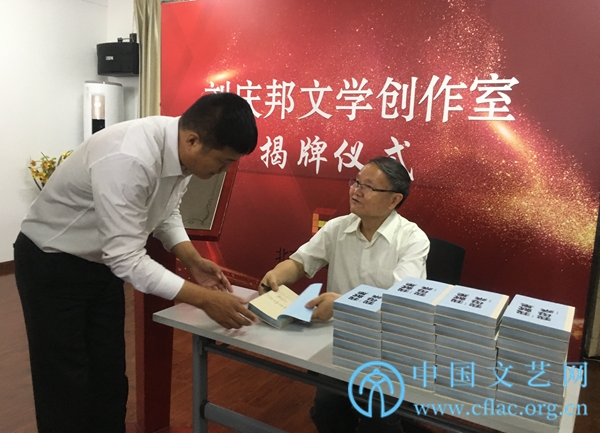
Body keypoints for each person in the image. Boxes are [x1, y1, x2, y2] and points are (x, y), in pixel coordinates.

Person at [14, 92, 259, 433]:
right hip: (52, 262)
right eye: (223, 161)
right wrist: (204, 299)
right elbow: (126, 257)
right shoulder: (129, 156)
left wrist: (193, 260)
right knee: (64, 379)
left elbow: (164, 211)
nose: (224, 171)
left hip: (100, 263)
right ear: (193, 140)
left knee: (109, 373)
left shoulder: (182, 150)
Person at [260, 156, 430, 433]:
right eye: (356, 182)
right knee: (327, 408)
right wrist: (277, 275)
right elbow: (301, 262)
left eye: (368, 187)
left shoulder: (412, 239)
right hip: (341, 340)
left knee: (378, 417)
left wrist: (342, 304)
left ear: (394, 200)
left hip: (389, 345)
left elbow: (403, 300)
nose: (356, 191)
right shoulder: (337, 227)